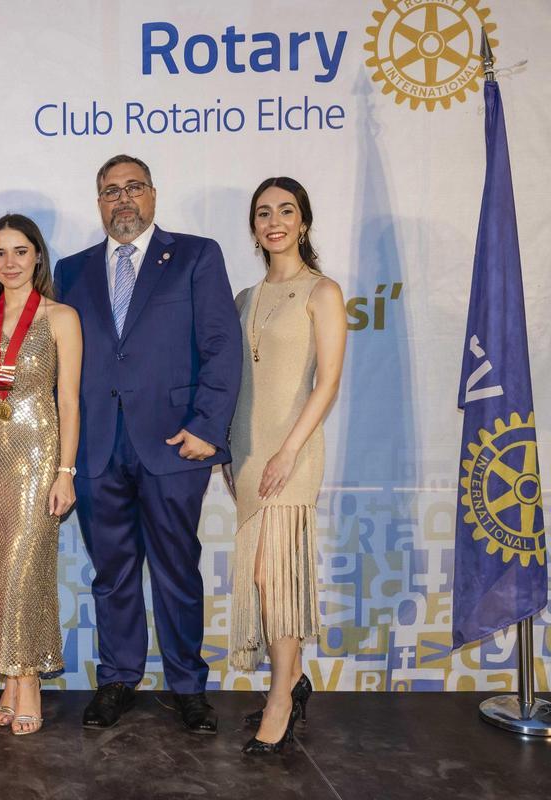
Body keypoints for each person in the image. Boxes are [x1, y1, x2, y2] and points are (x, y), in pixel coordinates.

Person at [53, 154, 241, 733]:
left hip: (173, 445)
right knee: (111, 573)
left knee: (177, 571)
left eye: (133, 188)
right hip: (96, 449)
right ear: (98, 201)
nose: (123, 200)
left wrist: (208, 427)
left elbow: (221, 345)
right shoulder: (71, 270)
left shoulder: (195, 255)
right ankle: (117, 679)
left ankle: (188, 685)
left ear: (154, 195)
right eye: (111, 191)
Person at [227, 177, 346, 755]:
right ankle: (293, 680)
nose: (274, 221)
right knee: (259, 575)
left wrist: (290, 449)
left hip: (291, 451)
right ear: (254, 226)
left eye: (286, 211)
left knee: (280, 579)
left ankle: (280, 700)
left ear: (304, 220)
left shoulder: (322, 291)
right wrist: (231, 454)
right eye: (263, 213)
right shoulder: (244, 298)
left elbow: (327, 384)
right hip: (247, 455)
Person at [0, 214, 82, 736]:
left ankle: (27, 680)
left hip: (36, 457)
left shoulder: (60, 316)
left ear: (38, 256)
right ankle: (9, 680)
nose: (10, 263)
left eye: (20, 252)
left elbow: (70, 400)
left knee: (24, 571)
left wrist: (65, 471)